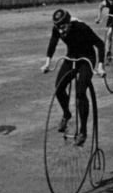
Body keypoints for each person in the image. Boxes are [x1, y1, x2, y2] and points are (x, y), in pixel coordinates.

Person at [40, 9, 105, 146]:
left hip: (87, 57)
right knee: (58, 88)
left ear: (69, 23)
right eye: (58, 27)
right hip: (71, 57)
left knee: (80, 92)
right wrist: (47, 63)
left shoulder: (81, 27)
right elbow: (53, 43)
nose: (61, 31)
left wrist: (100, 66)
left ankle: (83, 131)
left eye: (63, 27)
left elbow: (100, 44)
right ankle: (66, 114)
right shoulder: (58, 29)